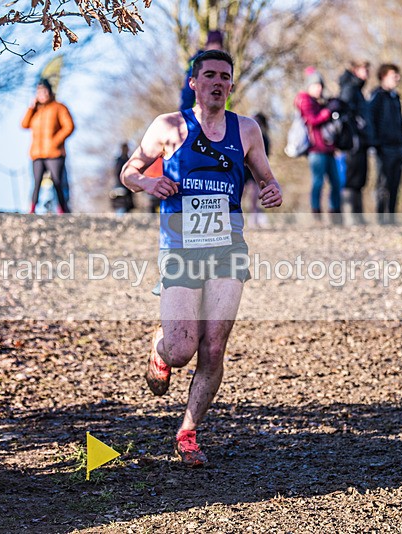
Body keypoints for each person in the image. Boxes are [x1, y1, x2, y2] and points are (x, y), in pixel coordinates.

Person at [120, 50, 282, 467]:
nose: (216, 82)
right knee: (181, 349)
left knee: (214, 347)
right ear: (193, 82)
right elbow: (129, 171)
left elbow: (267, 177)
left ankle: (188, 432)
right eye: (208, 75)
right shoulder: (169, 126)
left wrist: (272, 190)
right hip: (181, 247)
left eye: (224, 77)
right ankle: (159, 348)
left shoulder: (246, 130)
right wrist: (148, 182)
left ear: (231, 85)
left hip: (228, 247)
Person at [295, 67, 343, 224]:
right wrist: (327, 112)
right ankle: (316, 212)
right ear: (309, 86)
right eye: (316, 85)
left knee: (336, 182)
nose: (319, 88)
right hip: (315, 150)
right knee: (318, 182)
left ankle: (335, 212)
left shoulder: (322, 102)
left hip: (329, 149)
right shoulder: (305, 100)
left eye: (321, 85)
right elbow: (312, 120)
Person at [21, 78, 74, 214]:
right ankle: (31, 210)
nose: (42, 94)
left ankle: (63, 211)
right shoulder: (35, 111)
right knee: (36, 182)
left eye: (44, 91)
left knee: (57, 183)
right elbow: (24, 124)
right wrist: (31, 107)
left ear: (50, 92)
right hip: (37, 153)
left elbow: (69, 126)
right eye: (39, 92)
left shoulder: (59, 107)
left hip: (54, 153)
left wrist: (55, 141)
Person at [369, 63, 402, 224]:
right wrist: (377, 143)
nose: (397, 78)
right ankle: (381, 218)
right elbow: (371, 121)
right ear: (383, 76)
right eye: (394, 75)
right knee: (383, 183)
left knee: (395, 184)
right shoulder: (377, 96)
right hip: (384, 148)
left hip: (398, 147)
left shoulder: (396, 98)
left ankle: (392, 217)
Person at [339, 59, 372, 224]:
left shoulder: (358, 90)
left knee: (360, 178)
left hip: (361, 141)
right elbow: (344, 112)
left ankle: (358, 215)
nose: (367, 73)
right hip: (353, 142)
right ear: (355, 70)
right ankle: (351, 216)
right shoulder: (350, 88)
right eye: (364, 69)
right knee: (352, 178)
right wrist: (355, 130)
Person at [179, 30, 225, 111]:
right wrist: (185, 115)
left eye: (218, 46)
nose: (216, 48)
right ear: (207, 46)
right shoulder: (197, 64)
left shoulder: (224, 66)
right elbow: (188, 91)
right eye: (213, 44)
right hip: (198, 114)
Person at [244, 113, 271, 227]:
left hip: (255, 171)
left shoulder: (264, 139)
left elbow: (265, 157)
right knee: (241, 194)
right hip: (244, 169)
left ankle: (253, 220)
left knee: (254, 196)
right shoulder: (246, 135)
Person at [110, 142, 135, 214]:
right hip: (121, 189)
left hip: (128, 190)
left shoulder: (128, 160)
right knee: (121, 208)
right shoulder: (120, 161)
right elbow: (117, 174)